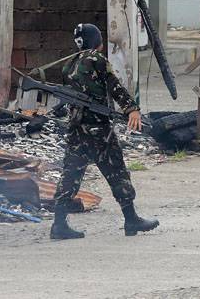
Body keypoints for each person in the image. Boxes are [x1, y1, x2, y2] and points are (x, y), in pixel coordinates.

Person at [50, 23, 159, 240]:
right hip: (98, 129)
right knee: (116, 171)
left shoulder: (69, 65)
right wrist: (132, 109)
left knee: (71, 174)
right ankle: (131, 219)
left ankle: (59, 224)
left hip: (76, 128)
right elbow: (114, 86)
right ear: (96, 41)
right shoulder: (97, 60)